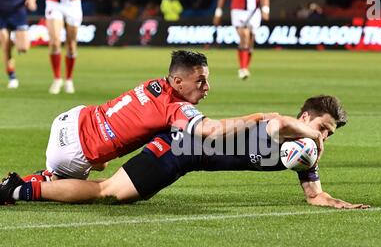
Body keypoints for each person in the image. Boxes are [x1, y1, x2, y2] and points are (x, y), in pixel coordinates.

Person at [0, 95, 369, 209]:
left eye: (328, 134)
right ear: (305, 118)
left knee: (111, 191)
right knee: (107, 192)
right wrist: (310, 133)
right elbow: (278, 121)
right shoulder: (286, 128)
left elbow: (314, 195)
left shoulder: (305, 152)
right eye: (323, 127)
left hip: (183, 155)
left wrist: (335, 202)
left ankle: (39, 181)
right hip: (178, 150)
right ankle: (18, 189)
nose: (324, 137)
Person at [8, 50, 276, 185]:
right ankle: (33, 183)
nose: (207, 88)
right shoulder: (174, 107)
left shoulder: (153, 84)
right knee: (94, 192)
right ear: (179, 81)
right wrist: (259, 116)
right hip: (74, 149)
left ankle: (49, 175)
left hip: (69, 118)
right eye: (201, 81)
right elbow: (212, 131)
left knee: (96, 162)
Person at [213, 0, 270, 80]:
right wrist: (218, 13)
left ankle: (246, 67)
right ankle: (243, 69)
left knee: (250, 41)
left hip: (254, 12)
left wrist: (265, 9)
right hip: (238, 11)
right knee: (244, 36)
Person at [45, 0, 83, 94]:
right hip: (54, 2)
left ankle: (69, 79)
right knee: (54, 41)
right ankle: (57, 79)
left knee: (71, 45)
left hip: (72, 2)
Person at [0, 0, 38, 89]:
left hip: (17, 10)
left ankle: (11, 41)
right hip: (1, 12)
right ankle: (12, 76)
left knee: (23, 48)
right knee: (4, 41)